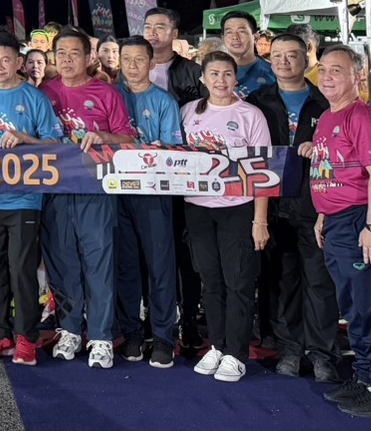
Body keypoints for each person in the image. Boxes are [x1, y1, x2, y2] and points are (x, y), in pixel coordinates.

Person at [310, 43, 371, 418]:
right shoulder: (327, 117)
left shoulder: (361, 117)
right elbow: (329, 171)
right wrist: (323, 213)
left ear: (357, 76)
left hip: (360, 222)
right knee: (353, 308)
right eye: (323, 69)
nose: (327, 77)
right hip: (337, 223)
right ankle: (365, 378)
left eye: (337, 70)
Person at [41, 26, 136, 368]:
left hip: (96, 190)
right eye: (61, 54)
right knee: (62, 262)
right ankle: (69, 329)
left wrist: (103, 137)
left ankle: (100, 336)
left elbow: (128, 138)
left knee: (98, 262)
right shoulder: (44, 92)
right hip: (55, 190)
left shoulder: (106, 93)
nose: (67, 60)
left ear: (88, 57)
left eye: (74, 54)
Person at [0, 32, 64, 366]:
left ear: (19, 63)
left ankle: (26, 336)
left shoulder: (34, 98)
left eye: (6, 60)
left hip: (25, 199)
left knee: (22, 269)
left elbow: (55, 144)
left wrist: (26, 139)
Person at [250, 32, 340, 382]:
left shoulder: (326, 101)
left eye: (292, 55)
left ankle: (322, 353)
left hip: (316, 205)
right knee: (282, 281)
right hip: (271, 206)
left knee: (319, 282)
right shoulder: (257, 102)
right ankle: (289, 348)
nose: (284, 61)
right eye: (277, 55)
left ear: (307, 59)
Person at [181, 52, 272, 383]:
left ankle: (236, 353)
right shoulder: (188, 112)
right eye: (214, 74)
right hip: (197, 208)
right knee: (211, 281)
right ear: (202, 79)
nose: (221, 80)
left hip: (238, 208)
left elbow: (263, 172)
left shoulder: (251, 115)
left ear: (236, 78)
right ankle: (217, 345)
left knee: (239, 282)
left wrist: (259, 221)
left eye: (227, 74)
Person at [114, 35, 183, 369]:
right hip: (116, 193)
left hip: (154, 195)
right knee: (126, 266)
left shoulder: (164, 101)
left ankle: (164, 336)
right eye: (126, 59)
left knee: (160, 267)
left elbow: (173, 151)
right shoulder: (111, 96)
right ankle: (132, 333)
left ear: (152, 63)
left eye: (139, 59)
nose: (132, 66)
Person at [143, 7, 202, 104]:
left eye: (159, 28)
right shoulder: (132, 69)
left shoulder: (193, 71)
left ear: (174, 34)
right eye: (147, 27)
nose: (152, 33)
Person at [219, 10, 275, 98]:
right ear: (223, 39)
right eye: (229, 32)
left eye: (242, 31)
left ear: (255, 38)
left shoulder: (273, 72)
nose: (235, 37)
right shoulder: (212, 72)